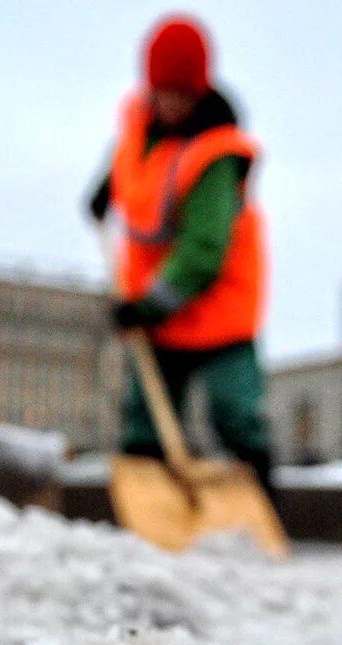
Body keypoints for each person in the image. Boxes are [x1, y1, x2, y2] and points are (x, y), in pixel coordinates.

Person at [88, 13, 274, 498]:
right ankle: (151, 510)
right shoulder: (138, 123)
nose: (170, 104)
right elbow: (127, 160)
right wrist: (103, 191)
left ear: (199, 91)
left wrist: (146, 306)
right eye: (162, 92)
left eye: (181, 95)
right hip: (159, 309)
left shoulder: (215, 155)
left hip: (217, 309)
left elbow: (204, 252)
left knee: (235, 413)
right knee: (144, 420)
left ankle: (262, 500)